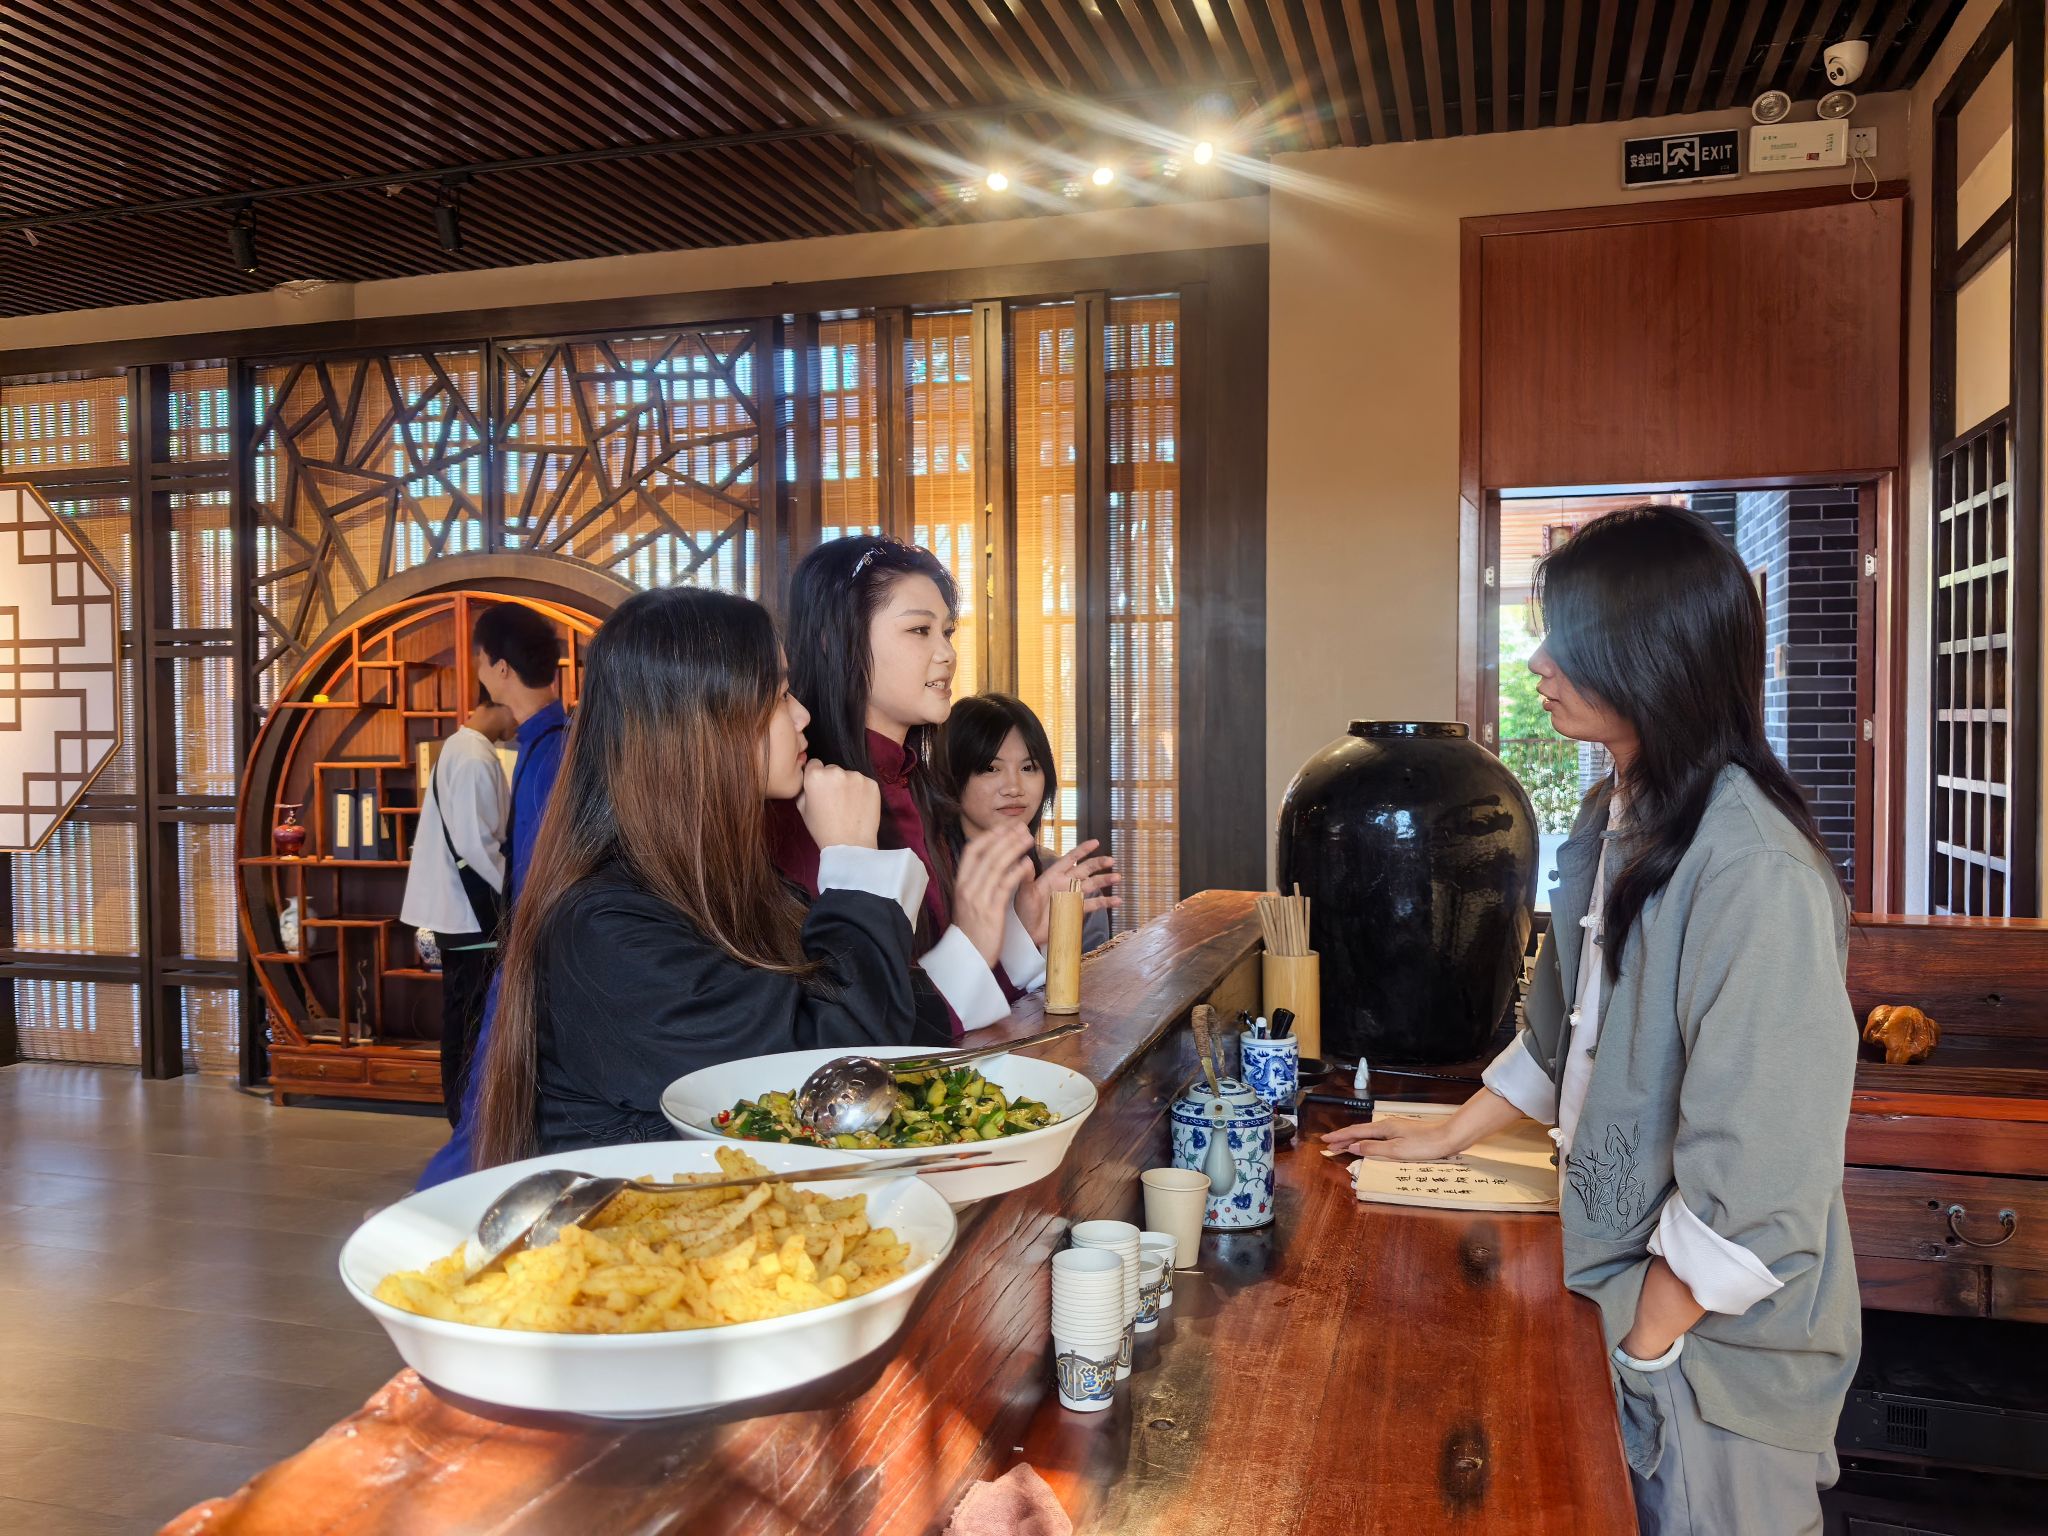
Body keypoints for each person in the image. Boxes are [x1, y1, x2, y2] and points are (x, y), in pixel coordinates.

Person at [1323, 505, 1858, 1536]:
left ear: (1653, 655)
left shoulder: (1753, 869)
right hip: (1622, 1293)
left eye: (1567, 638)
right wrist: (1447, 1134)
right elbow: (1563, 1028)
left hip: (1714, 1356)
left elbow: (1761, 1178)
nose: (1538, 662)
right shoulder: (1618, 813)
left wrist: (1647, 1339)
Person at [470, 586, 936, 1163]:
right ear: (699, 729)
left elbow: (902, 1022)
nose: (802, 715)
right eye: (778, 695)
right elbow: (835, 1087)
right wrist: (854, 864)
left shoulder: (724, 885)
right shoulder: (605, 929)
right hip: (646, 1218)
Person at [768, 535, 1116, 1035]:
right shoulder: (810, 802)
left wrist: (1016, 931)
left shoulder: (917, 787)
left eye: (947, 632)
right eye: (919, 630)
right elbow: (861, 1026)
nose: (947, 654)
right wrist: (978, 938)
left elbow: (940, 1002)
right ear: (835, 640)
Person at [415, 602, 570, 1184]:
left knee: (483, 1070)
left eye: (479, 661)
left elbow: (533, 865)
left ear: (500, 668)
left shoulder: (550, 749)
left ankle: (445, 1199)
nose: (478, 672)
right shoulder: (548, 742)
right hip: (523, 939)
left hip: (530, 945)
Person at [399, 699, 514, 1126]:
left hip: (461, 908)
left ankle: (463, 1116)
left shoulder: (461, 747)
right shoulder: (473, 756)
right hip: (472, 912)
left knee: (463, 1015)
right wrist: (516, 888)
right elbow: (475, 843)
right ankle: (466, 1118)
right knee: (471, 1019)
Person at [940, 692, 1117, 952]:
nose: (1014, 788)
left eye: (1028, 767)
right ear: (950, 775)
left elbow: (1093, 975)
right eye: (991, 768)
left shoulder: (1065, 885)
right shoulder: (926, 881)